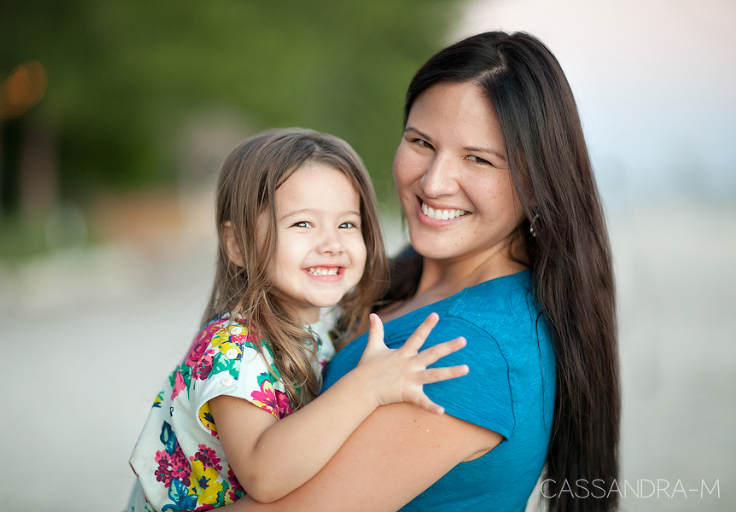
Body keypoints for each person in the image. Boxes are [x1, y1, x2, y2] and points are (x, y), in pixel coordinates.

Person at [219, 31, 619, 512]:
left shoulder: (468, 348)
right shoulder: (382, 278)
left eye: (478, 159)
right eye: (422, 142)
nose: (433, 182)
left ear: (537, 184)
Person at [126, 128, 470, 512]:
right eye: (303, 224)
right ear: (239, 244)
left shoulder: (329, 323)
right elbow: (265, 475)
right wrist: (367, 387)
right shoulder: (232, 350)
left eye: (346, 224)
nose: (331, 243)